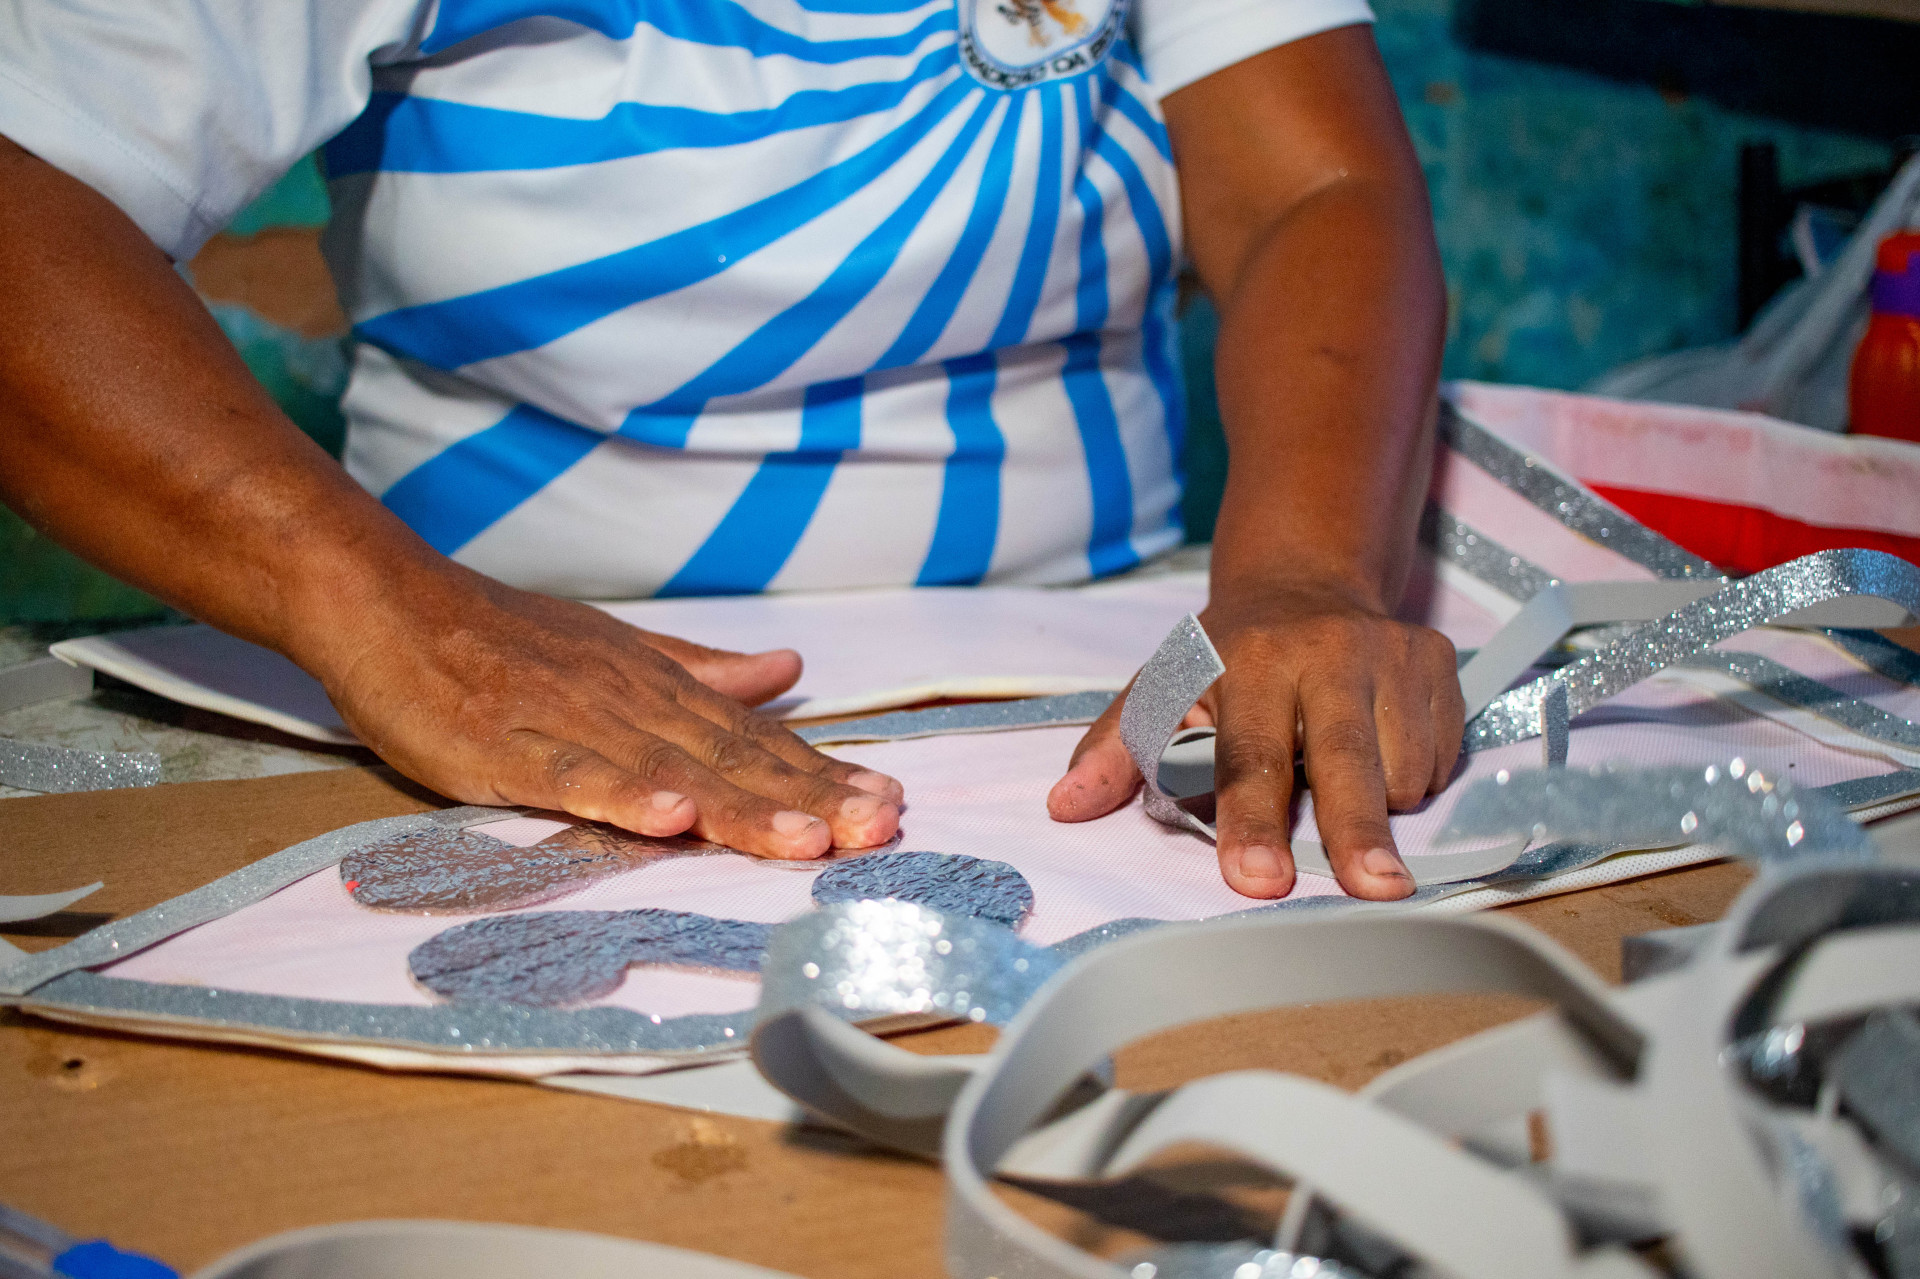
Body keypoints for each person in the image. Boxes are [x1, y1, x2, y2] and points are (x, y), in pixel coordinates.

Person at [0, 0, 1459, 902]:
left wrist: (1304, 573)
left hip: (1090, 655)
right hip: (482, 709)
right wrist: (394, 618)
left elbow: (1311, 194)